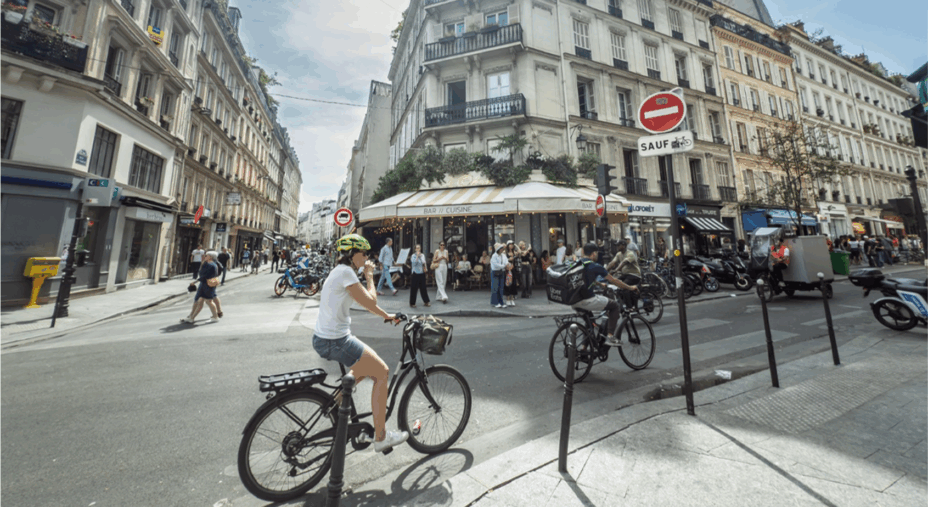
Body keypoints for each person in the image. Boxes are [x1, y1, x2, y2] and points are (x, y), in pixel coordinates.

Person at [312, 233, 408, 454]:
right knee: (382, 372)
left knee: (366, 365)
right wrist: (370, 277)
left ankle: (336, 402)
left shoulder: (339, 272)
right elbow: (371, 302)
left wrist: (385, 311)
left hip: (327, 338)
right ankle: (381, 437)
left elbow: (366, 300)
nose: (366, 258)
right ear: (351, 254)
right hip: (335, 340)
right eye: (363, 254)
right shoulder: (346, 273)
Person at [573, 243, 639, 346]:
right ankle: (610, 337)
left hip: (574, 300)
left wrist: (599, 283)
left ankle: (583, 348)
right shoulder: (595, 266)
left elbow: (584, 279)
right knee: (614, 306)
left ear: (583, 252)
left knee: (589, 322)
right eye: (597, 253)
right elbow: (614, 280)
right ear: (594, 253)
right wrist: (630, 287)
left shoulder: (577, 263)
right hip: (586, 300)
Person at [181, 250, 221, 324]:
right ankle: (191, 317)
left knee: (208, 301)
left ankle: (214, 317)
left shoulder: (211, 265)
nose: (204, 256)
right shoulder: (208, 264)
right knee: (200, 301)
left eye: (206, 255)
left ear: (211, 257)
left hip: (207, 285)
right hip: (204, 284)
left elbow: (205, 276)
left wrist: (195, 281)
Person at [490, 243, 507, 308]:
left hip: (501, 272)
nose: (502, 249)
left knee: (501, 288)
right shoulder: (494, 256)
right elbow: (495, 265)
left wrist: (506, 265)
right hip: (495, 272)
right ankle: (495, 302)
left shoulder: (503, 255)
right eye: (501, 248)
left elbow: (506, 261)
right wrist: (504, 266)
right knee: (495, 287)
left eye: (502, 248)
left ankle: (501, 302)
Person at [504, 242, 520, 306]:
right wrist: (508, 259)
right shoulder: (505, 253)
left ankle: (512, 299)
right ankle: (507, 299)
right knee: (507, 284)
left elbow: (519, 251)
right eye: (510, 245)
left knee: (513, 284)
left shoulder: (514, 253)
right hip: (507, 270)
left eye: (512, 245)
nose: (511, 246)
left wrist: (516, 245)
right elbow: (504, 260)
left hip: (513, 270)